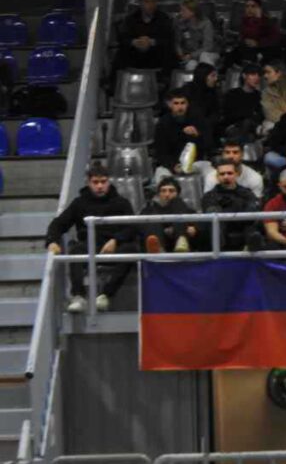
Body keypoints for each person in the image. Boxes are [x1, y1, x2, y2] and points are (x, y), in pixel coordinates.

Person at [44, 163, 137, 313]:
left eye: (103, 181)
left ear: (108, 181)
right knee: (75, 250)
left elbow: (132, 227)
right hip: (88, 245)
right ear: (89, 182)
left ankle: (106, 295)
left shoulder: (122, 203)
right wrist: (52, 241)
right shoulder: (79, 203)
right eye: (95, 182)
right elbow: (58, 224)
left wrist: (116, 240)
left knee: (131, 250)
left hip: (115, 246)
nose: (100, 186)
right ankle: (78, 296)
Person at [201, 158, 261, 250]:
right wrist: (237, 208)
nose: (226, 176)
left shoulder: (247, 193)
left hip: (242, 228)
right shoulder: (209, 196)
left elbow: (252, 211)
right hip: (221, 235)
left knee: (252, 220)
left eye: (229, 173)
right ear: (217, 176)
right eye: (222, 174)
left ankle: (251, 245)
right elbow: (211, 213)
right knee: (214, 214)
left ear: (236, 174)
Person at [113, 0, 176, 75]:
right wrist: (135, 42)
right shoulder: (130, 19)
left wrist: (151, 42)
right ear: (140, 3)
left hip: (157, 55)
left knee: (169, 52)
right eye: (147, 2)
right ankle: (115, 84)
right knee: (119, 54)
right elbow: (123, 38)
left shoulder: (164, 18)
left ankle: (165, 82)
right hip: (136, 55)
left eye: (153, 1)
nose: (151, 5)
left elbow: (169, 39)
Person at [153, 88, 210, 182]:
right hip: (173, 164)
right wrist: (173, 165)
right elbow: (161, 153)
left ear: (187, 104)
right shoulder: (163, 123)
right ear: (169, 104)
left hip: (196, 163)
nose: (180, 107)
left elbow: (209, 145)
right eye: (176, 103)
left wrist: (197, 135)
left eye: (183, 103)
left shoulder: (198, 119)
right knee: (161, 174)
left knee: (211, 173)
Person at [141, 176, 199, 253]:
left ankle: (181, 240)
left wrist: (193, 228)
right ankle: (159, 249)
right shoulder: (149, 210)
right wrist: (166, 230)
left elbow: (198, 224)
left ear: (178, 193)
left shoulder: (187, 210)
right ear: (159, 194)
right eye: (163, 191)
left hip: (183, 246)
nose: (167, 194)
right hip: (160, 241)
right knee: (151, 218)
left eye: (171, 191)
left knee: (177, 202)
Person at [225, 0, 281, 67]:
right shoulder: (245, 21)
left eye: (253, 6)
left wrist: (258, 43)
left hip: (264, 49)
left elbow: (275, 39)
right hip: (247, 48)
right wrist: (244, 40)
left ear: (259, 8)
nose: (249, 9)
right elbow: (242, 37)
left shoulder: (269, 22)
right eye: (247, 6)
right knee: (230, 55)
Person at [219, 64, 264, 142]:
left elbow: (259, 115)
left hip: (252, 127)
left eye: (259, 75)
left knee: (250, 132)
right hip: (233, 126)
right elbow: (228, 114)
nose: (257, 78)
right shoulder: (232, 94)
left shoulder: (259, 96)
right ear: (244, 76)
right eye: (253, 74)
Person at [174, 0, 217, 70]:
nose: (181, 13)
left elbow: (208, 47)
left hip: (208, 54)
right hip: (190, 55)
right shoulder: (180, 23)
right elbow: (177, 42)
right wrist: (180, 54)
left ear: (192, 12)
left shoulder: (206, 24)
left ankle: (210, 78)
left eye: (183, 10)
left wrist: (192, 55)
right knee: (191, 65)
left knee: (204, 57)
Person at [182, 63, 221, 135]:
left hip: (207, 131)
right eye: (213, 76)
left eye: (216, 76)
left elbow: (216, 114)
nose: (216, 79)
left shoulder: (213, 92)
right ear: (203, 76)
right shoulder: (187, 91)